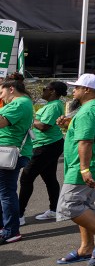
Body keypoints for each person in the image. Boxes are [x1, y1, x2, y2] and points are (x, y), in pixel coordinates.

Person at [54, 74, 95, 265]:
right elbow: (88, 132)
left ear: (87, 90)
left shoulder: (87, 111)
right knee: (85, 206)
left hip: (83, 168)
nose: (73, 90)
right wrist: (69, 124)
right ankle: (86, 247)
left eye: (76, 87)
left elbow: (86, 142)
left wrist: (84, 170)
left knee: (69, 205)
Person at [18, 81, 67, 225]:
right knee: (49, 177)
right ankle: (54, 209)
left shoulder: (54, 106)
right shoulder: (52, 105)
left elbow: (44, 126)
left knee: (26, 177)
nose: (43, 90)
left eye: (45, 89)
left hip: (45, 146)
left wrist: (29, 120)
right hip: (50, 144)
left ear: (52, 92)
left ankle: (19, 215)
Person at [0, 73, 34, 245]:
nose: (1, 97)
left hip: (8, 153)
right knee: (4, 192)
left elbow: (2, 122)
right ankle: (5, 227)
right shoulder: (23, 102)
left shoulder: (20, 103)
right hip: (9, 152)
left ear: (11, 89)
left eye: (1, 92)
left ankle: (11, 231)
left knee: (6, 193)